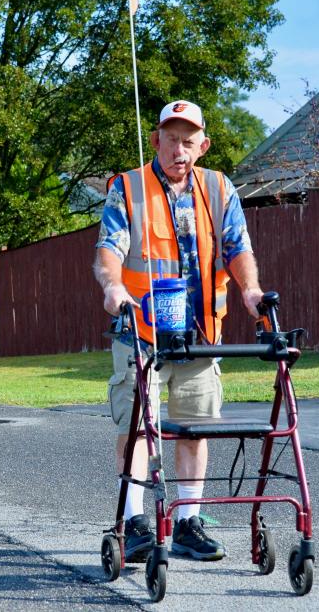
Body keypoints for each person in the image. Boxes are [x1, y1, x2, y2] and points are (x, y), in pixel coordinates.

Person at [94, 100, 265, 562]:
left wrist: (251, 292)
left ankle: (188, 521)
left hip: (201, 335)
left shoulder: (218, 187)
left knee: (195, 429)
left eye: (188, 141)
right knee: (138, 431)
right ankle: (133, 523)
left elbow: (237, 247)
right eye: (171, 139)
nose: (179, 150)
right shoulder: (127, 188)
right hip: (141, 335)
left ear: (203, 146)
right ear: (156, 140)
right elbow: (110, 247)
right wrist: (112, 287)